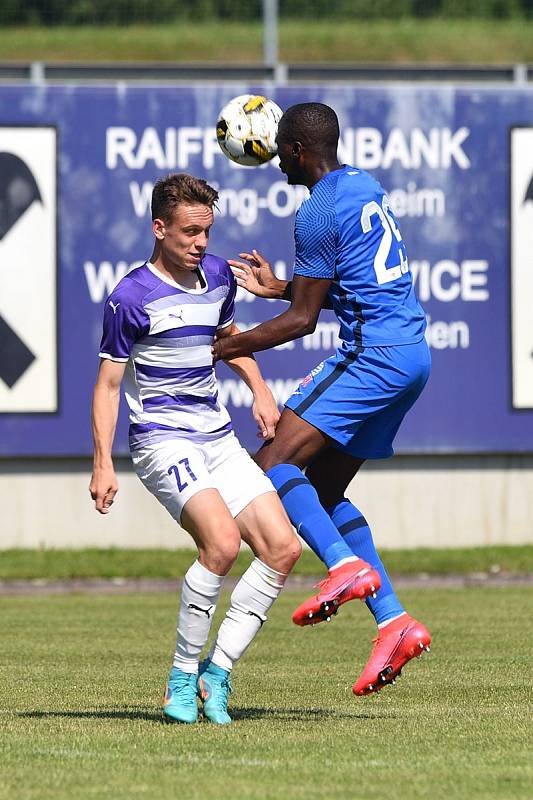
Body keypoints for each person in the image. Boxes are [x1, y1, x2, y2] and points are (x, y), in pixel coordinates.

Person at [213, 103, 432, 696]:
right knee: (326, 489)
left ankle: (342, 567)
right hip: (411, 354)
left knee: (272, 466)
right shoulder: (364, 186)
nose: (277, 158)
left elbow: (303, 321)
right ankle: (394, 623)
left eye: (281, 147)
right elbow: (347, 288)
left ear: (300, 150)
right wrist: (279, 286)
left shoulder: (314, 212)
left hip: (375, 356)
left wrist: (227, 344)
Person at [89, 173, 301, 725]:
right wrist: (103, 463)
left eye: (206, 231)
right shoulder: (130, 298)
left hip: (217, 436)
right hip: (162, 441)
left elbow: (228, 344)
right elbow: (109, 387)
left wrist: (259, 389)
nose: (200, 243)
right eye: (188, 231)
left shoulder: (216, 278)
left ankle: (218, 673)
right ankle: (182, 677)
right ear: (160, 228)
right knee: (223, 544)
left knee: (282, 548)